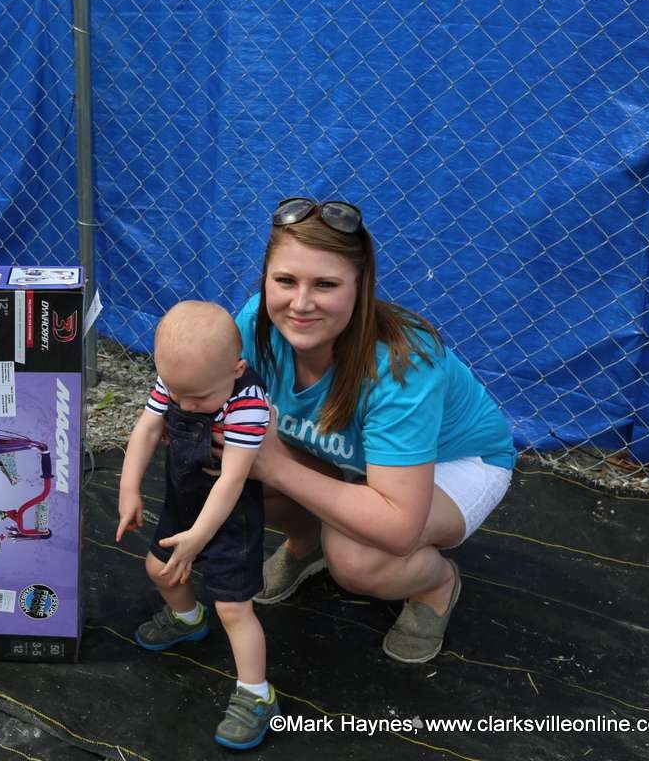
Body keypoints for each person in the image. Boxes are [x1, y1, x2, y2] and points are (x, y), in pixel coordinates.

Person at [235, 197, 516, 664]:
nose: (300, 304)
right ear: (265, 278)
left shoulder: (403, 364)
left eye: (325, 284)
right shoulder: (255, 323)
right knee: (223, 460)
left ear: (361, 286)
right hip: (351, 456)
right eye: (285, 280)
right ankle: (306, 543)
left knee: (358, 558)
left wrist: (276, 468)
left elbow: (399, 527)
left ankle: (436, 586)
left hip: (455, 460)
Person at [116, 300, 279, 750]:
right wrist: (128, 489)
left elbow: (232, 480)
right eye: (177, 393)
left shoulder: (247, 404)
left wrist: (199, 538)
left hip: (230, 517)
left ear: (236, 369)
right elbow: (148, 429)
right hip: (185, 499)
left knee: (233, 607)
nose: (186, 405)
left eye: (200, 399)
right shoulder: (182, 381)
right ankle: (187, 618)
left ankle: (257, 693)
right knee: (159, 569)